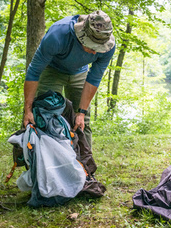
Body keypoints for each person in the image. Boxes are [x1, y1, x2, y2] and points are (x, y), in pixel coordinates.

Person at [23, 11, 116, 149]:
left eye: (100, 47)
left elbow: (94, 78)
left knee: (82, 122)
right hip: (52, 69)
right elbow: (34, 71)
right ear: (82, 36)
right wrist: (28, 110)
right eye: (93, 46)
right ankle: (45, 165)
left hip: (80, 72)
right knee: (46, 115)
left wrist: (81, 112)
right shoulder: (58, 35)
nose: (96, 52)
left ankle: (84, 167)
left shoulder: (109, 46)